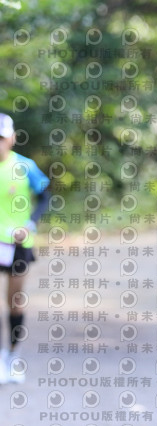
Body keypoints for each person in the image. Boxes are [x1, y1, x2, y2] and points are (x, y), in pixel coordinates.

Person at [0, 112, 51, 384]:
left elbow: (44, 196)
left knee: (15, 300)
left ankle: (12, 355)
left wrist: (30, 224)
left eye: (1, 138)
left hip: (18, 244)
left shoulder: (25, 166)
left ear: (12, 138)